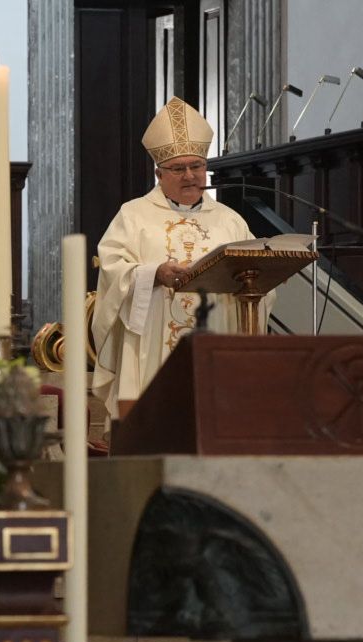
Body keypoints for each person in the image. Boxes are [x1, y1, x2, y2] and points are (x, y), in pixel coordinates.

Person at [91, 98, 266, 417]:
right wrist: (154, 273)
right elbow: (113, 271)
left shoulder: (230, 220)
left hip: (217, 340)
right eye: (178, 168)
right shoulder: (133, 216)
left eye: (197, 166)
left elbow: (260, 277)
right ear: (159, 173)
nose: (189, 176)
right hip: (152, 345)